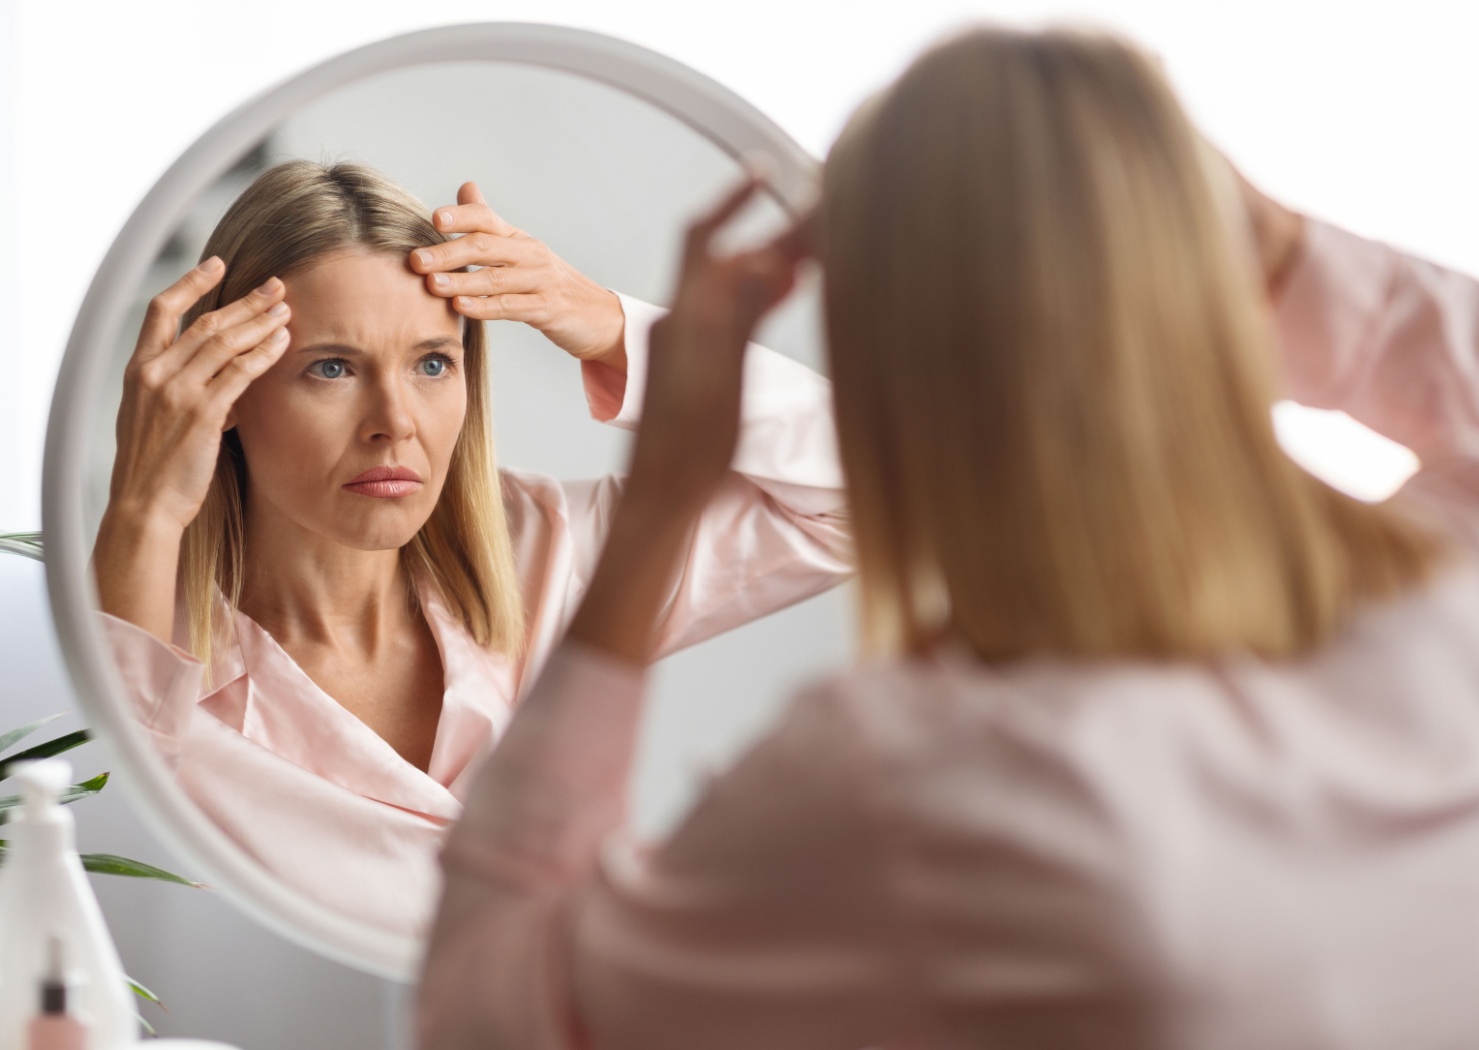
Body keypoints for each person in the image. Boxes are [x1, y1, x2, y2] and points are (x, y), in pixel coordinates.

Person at [419, 26, 1479, 1050]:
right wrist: (1278, 247)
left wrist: (655, 512)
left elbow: (483, 1021)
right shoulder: (1448, 608)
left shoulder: (922, 786)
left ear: (884, 368)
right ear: (1215, 273)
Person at [92, 160, 848, 935]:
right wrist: (143, 515)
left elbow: (865, 488)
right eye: (331, 367)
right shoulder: (148, 634)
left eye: (431, 363)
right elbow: (100, 888)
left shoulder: (547, 553)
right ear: (224, 389)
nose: (396, 421)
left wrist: (608, 323)